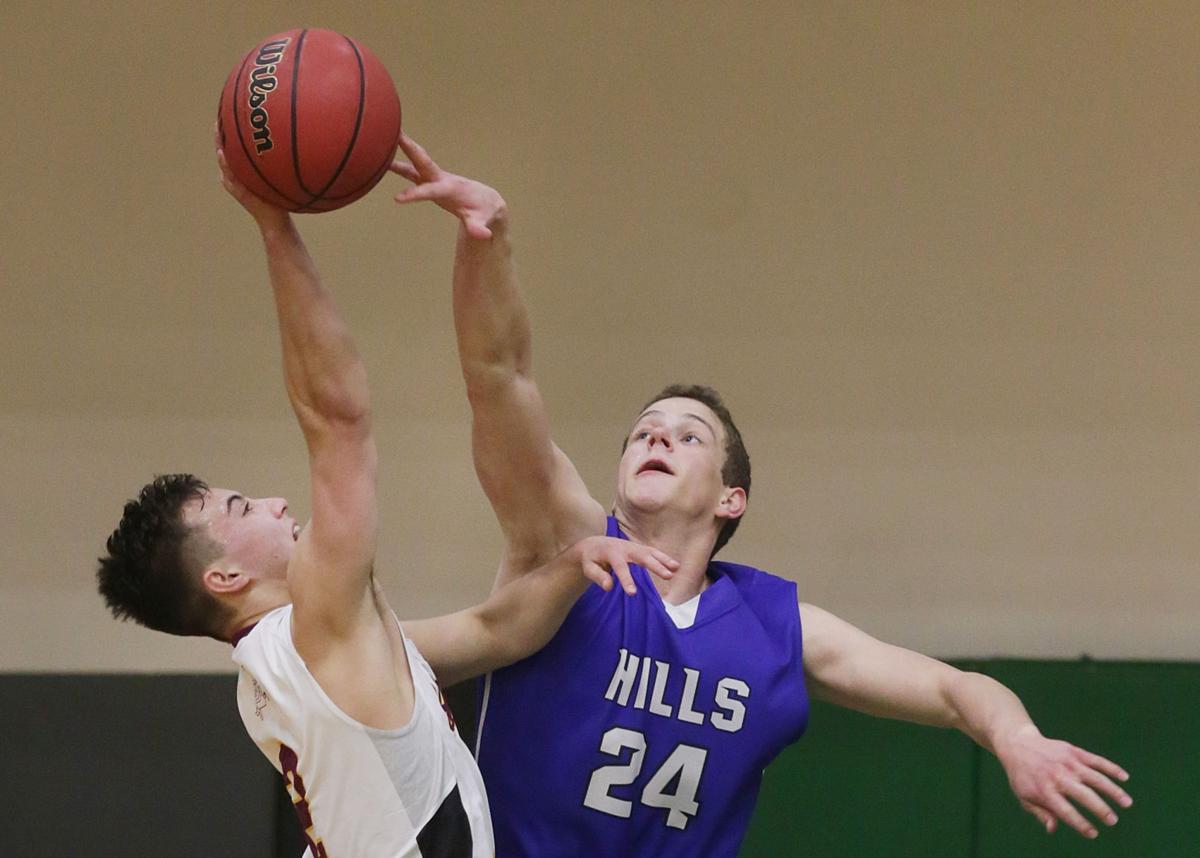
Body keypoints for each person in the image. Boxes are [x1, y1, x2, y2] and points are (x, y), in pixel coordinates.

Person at [390, 135, 1135, 856]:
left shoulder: (775, 631)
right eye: (643, 432)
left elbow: (953, 691)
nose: (656, 439)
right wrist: (489, 242)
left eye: (688, 437)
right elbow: (500, 379)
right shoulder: (567, 547)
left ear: (731, 499)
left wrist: (1017, 739)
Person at [95, 150, 677, 858]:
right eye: (242, 508)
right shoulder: (318, 629)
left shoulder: (282, 674)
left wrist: (575, 561)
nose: (274, 503)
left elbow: (495, 631)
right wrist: (275, 224)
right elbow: (336, 416)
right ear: (224, 578)